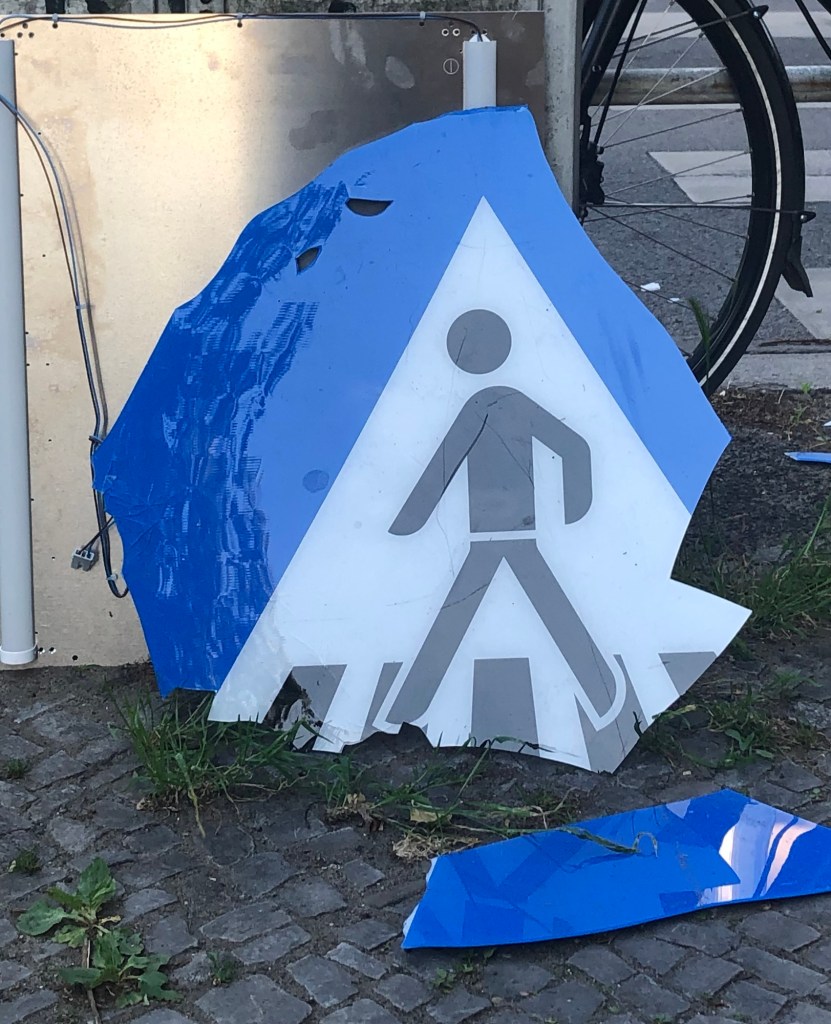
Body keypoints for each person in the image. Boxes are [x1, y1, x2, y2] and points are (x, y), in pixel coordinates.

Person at [385, 308, 620, 725]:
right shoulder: (506, 401)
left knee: (461, 614)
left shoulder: (487, 404)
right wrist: (573, 506)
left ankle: (409, 705)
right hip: (504, 531)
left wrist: (409, 520)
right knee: (512, 609)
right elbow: (573, 447)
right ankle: (603, 695)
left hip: (500, 531)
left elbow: (443, 465)